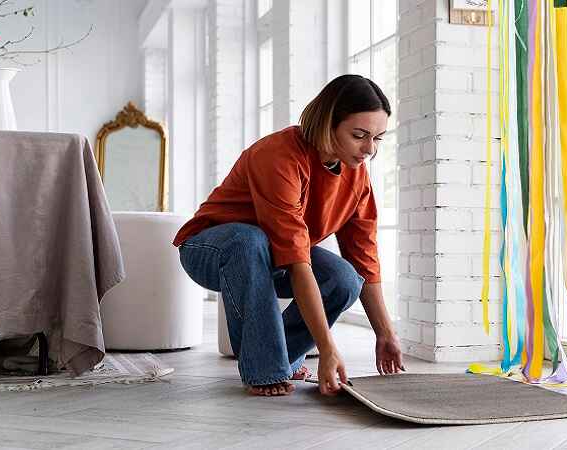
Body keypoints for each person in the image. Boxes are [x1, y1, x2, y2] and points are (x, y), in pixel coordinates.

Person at [173, 74, 404, 397]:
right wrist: (327, 349)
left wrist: (386, 333)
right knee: (249, 240)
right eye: (359, 135)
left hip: (273, 255)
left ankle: (280, 358)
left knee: (345, 278)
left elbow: (365, 262)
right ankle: (264, 370)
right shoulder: (279, 155)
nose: (369, 150)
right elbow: (296, 259)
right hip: (210, 248)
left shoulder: (357, 176)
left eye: (378, 138)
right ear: (328, 124)